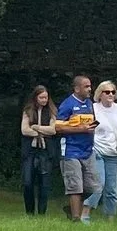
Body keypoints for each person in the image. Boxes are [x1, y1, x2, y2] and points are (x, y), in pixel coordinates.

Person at [54, 74, 98, 222]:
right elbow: (58, 127)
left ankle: (71, 206)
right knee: (75, 186)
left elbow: (88, 123)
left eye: (90, 86)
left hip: (87, 150)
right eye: (86, 86)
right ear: (77, 88)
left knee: (92, 186)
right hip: (71, 150)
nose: (90, 89)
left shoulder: (89, 104)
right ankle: (75, 218)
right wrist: (81, 129)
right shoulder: (68, 104)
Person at [89, 80, 117, 221]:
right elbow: (88, 129)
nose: (111, 94)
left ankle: (110, 218)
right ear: (100, 94)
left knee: (112, 189)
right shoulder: (93, 108)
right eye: (107, 92)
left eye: (113, 92)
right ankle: (85, 211)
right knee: (99, 184)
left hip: (115, 153)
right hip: (97, 151)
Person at [19, 85, 58, 216]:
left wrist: (35, 127)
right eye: (41, 97)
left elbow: (53, 130)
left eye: (46, 97)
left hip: (46, 151)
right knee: (28, 182)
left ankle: (42, 213)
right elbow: (24, 130)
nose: (44, 100)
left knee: (44, 184)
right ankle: (29, 212)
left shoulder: (52, 111)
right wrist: (39, 133)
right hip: (30, 151)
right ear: (35, 98)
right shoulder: (28, 111)